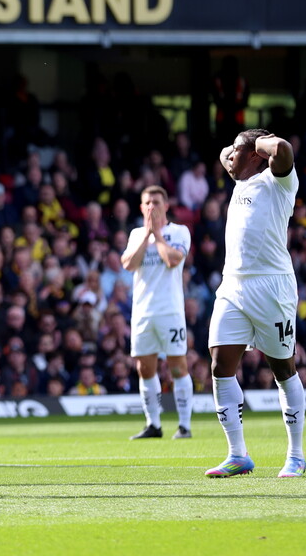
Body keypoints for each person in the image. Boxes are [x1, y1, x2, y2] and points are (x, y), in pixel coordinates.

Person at [206, 130, 306, 478]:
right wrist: (238, 147)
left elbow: (281, 148)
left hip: (272, 286)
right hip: (233, 285)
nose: (228, 157)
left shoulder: (278, 184)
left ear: (255, 156)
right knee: (220, 365)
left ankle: (295, 455)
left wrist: (257, 142)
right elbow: (224, 154)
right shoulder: (241, 180)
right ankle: (238, 454)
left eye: (238, 152)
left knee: (282, 368)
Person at [121, 185, 193, 440]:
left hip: (170, 311)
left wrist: (158, 235)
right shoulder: (136, 234)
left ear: (166, 206)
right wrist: (147, 235)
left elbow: (173, 260)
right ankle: (154, 424)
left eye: (156, 202)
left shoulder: (179, 232)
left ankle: (184, 426)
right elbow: (129, 263)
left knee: (177, 367)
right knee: (144, 368)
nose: (152, 206)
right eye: (147, 203)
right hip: (142, 312)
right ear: (141, 208)